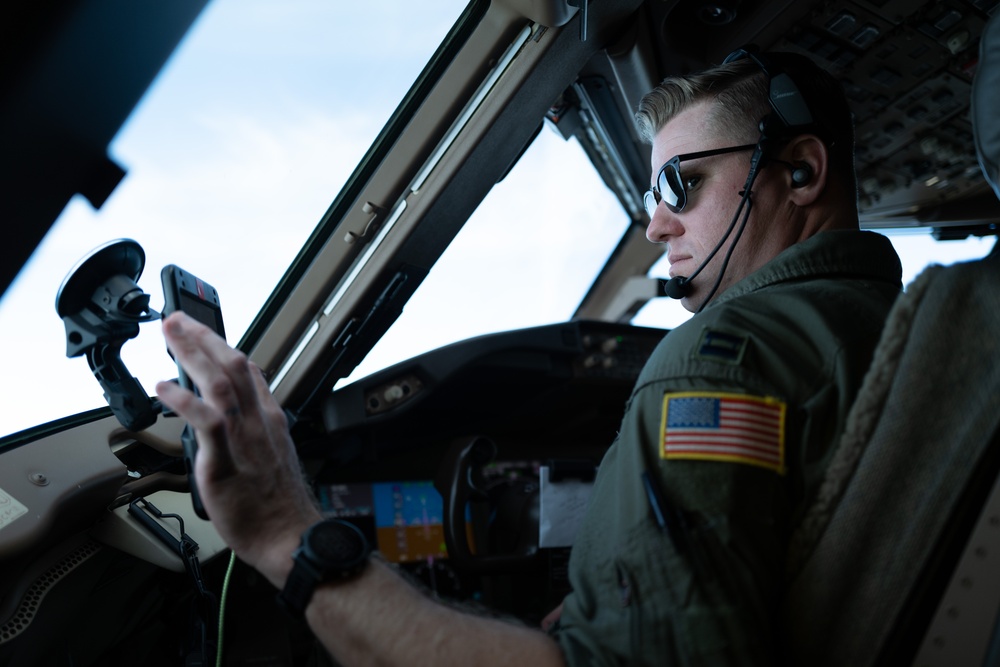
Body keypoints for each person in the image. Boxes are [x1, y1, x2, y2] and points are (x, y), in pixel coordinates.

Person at [156, 48, 902, 666]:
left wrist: (286, 530)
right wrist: (599, 610)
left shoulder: (717, 364)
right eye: (650, 194)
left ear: (801, 171)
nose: (656, 225)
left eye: (683, 182)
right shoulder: (892, 326)